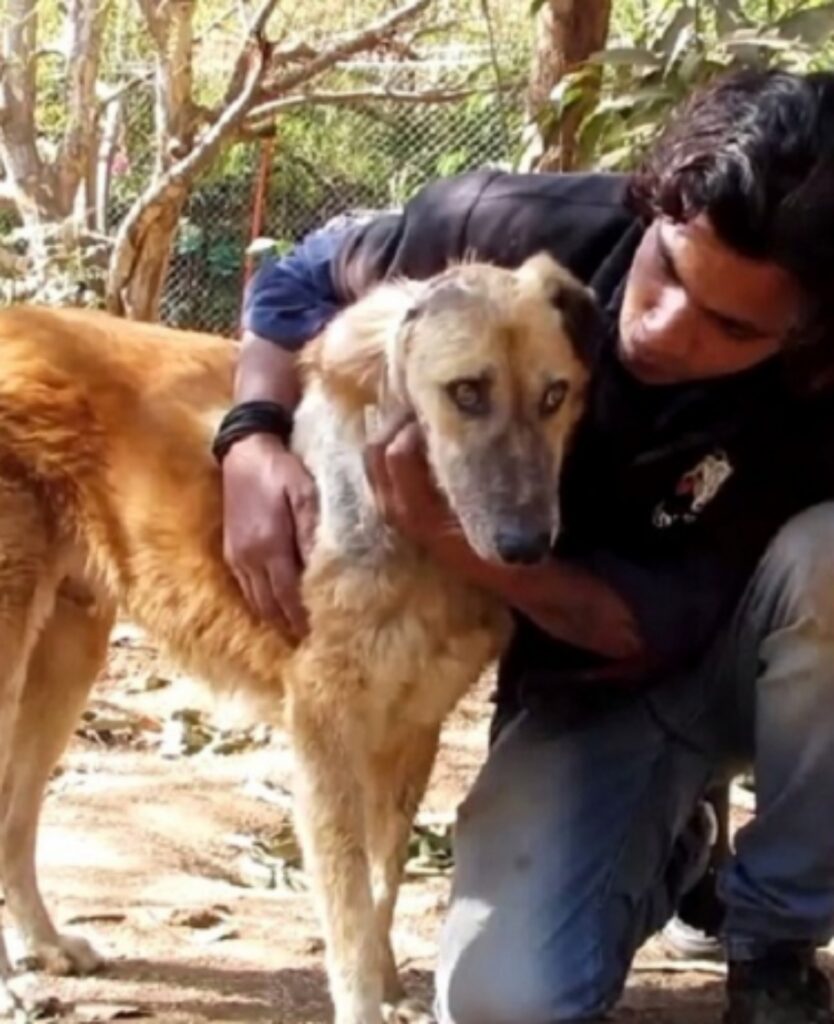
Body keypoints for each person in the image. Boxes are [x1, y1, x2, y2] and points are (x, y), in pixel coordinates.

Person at [217, 69, 834, 1024]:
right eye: (669, 271)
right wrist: (251, 433)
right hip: (589, 692)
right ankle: (672, 838)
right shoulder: (504, 228)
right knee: (508, 1003)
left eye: (732, 326)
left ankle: (779, 934)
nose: (664, 330)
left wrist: (448, 538)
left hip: (727, 657)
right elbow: (301, 277)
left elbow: (639, 629)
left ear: (808, 333)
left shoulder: (812, 400)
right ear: (656, 203)